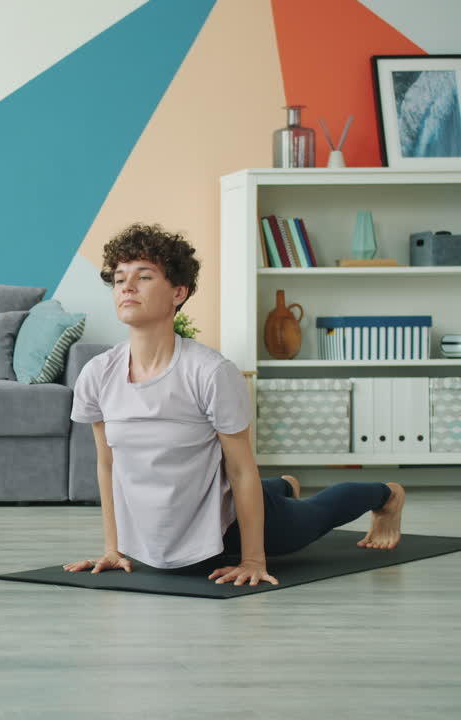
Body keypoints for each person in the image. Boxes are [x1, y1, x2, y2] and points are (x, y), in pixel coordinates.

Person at [63, 223, 406, 587]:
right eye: (119, 279)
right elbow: (108, 465)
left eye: (143, 277)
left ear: (178, 292)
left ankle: (387, 495)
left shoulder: (210, 372)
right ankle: (282, 486)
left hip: (229, 528)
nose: (127, 287)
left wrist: (253, 559)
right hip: (167, 531)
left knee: (316, 514)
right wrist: (113, 549)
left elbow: (241, 470)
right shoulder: (98, 373)